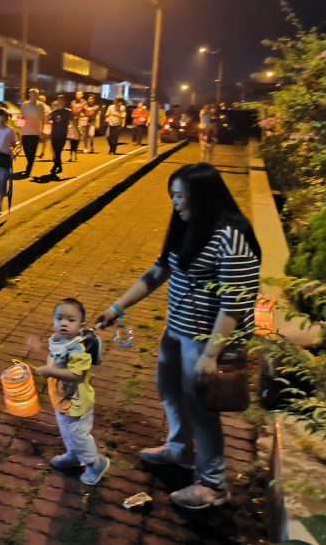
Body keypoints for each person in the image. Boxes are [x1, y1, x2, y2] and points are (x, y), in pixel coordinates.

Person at [96, 163, 261, 509]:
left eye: (181, 196)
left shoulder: (233, 235)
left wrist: (211, 354)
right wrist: (117, 308)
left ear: (203, 197)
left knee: (201, 407)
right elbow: (160, 270)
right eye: (172, 195)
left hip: (208, 337)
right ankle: (181, 449)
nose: (175, 203)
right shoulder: (187, 226)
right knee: (167, 386)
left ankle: (213, 485)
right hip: (179, 328)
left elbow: (236, 300)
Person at [27, 299, 111, 485]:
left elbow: (76, 374)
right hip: (63, 401)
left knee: (79, 435)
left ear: (81, 325)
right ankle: (74, 456)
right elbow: (57, 358)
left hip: (78, 402)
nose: (64, 323)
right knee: (67, 431)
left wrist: (49, 372)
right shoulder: (60, 340)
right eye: (59, 318)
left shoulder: (78, 348)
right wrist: (40, 348)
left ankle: (95, 464)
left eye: (71, 320)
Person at [19, 88, 46, 176]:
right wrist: (20, 129)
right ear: (29, 95)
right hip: (25, 132)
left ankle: (28, 169)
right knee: (26, 151)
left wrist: (44, 131)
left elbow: (43, 119)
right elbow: (21, 117)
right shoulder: (24, 105)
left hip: (36, 132)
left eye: (35, 94)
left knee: (33, 151)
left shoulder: (41, 106)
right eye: (31, 94)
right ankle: (29, 163)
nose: (33, 96)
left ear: (37, 96)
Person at [47, 94, 72, 176]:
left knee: (58, 151)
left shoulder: (68, 112)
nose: (60, 102)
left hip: (62, 134)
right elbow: (48, 120)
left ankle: (55, 166)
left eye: (62, 100)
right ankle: (59, 166)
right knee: (56, 152)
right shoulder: (54, 112)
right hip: (54, 134)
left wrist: (78, 132)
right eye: (59, 100)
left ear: (64, 102)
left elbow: (73, 122)